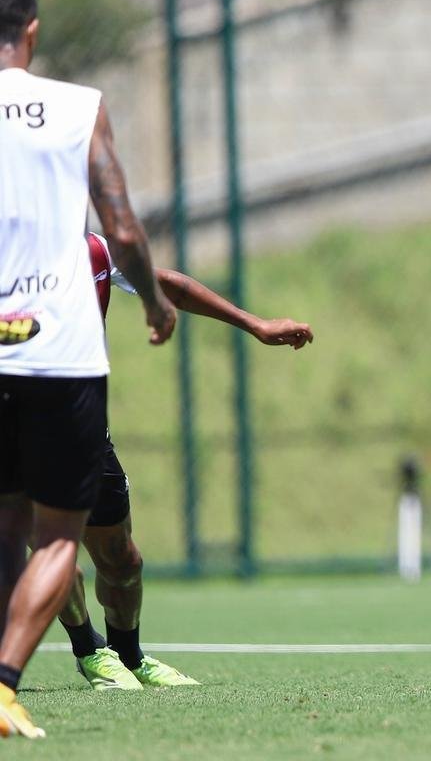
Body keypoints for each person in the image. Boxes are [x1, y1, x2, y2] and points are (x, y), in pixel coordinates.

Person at [0, 0, 176, 738]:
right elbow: (126, 231)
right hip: (60, 352)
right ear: (31, 30)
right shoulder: (78, 108)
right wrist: (157, 302)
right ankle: (5, 681)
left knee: (5, 530)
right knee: (60, 538)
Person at [56, 231, 314, 691]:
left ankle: (128, 656)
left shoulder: (90, 249)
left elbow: (164, 284)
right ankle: (89, 651)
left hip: (85, 429)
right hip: (17, 424)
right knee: (53, 557)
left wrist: (254, 323)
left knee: (122, 559)